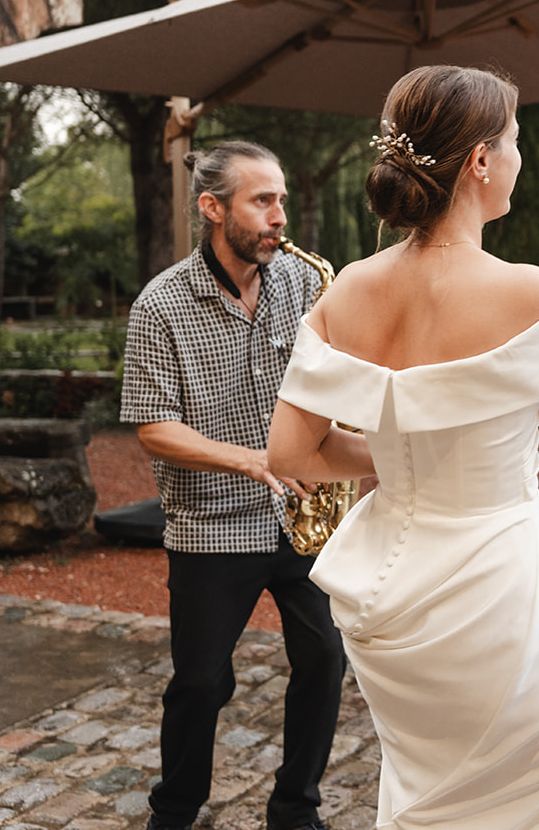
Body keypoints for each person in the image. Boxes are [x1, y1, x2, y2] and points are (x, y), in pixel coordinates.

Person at [266, 65, 539, 830]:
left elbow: (290, 454)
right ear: (479, 160)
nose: (520, 158)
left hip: (393, 593)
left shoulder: (348, 291)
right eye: (516, 141)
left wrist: (395, 459)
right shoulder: (524, 290)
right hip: (502, 584)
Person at [120, 141, 349, 830]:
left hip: (299, 515)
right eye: (263, 201)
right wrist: (254, 460)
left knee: (325, 657)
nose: (280, 215)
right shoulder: (159, 305)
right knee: (200, 682)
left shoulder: (303, 281)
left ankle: (295, 809)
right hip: (211, 524)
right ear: (213, 208)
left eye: (281, 199)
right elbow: (154, 429)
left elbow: (329, 384)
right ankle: (175, 810)